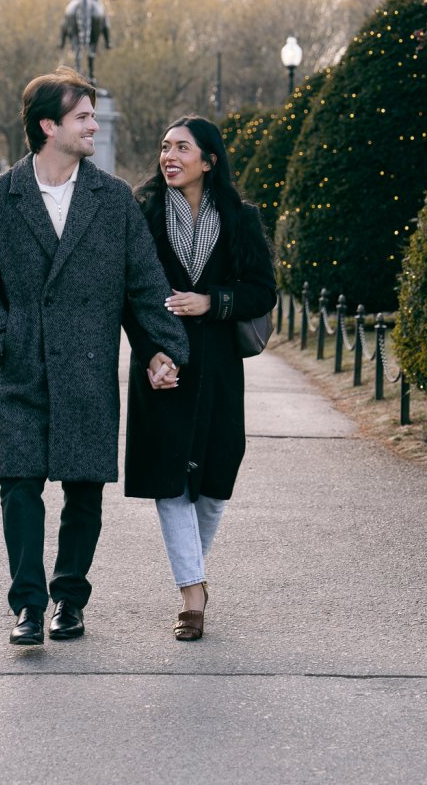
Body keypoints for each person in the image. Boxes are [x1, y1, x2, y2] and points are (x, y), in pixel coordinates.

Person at [0, 67, 189, 647]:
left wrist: (162, 349)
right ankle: (28, 606)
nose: (93, 124)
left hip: (86, 370)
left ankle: (69, 598)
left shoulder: (111, 201)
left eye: (91, 116)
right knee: (19, 487)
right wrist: (1, 335)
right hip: (19, 370)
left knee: (83, 489)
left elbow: (143, 283)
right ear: (48, 126)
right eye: (82, 116)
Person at [122, 115, 276, 641]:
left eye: (182, 148)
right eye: (165, 147)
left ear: (208, 160)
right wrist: (150, 355)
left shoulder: (240, 217)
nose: (169, 156)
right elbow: (127, 296)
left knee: (213, 481)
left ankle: (194, 576)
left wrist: (214, 302)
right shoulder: (140, 213)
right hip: (161, 366)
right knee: (171, 479)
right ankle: (192, 594)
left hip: (218, 370)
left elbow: (262, 291)